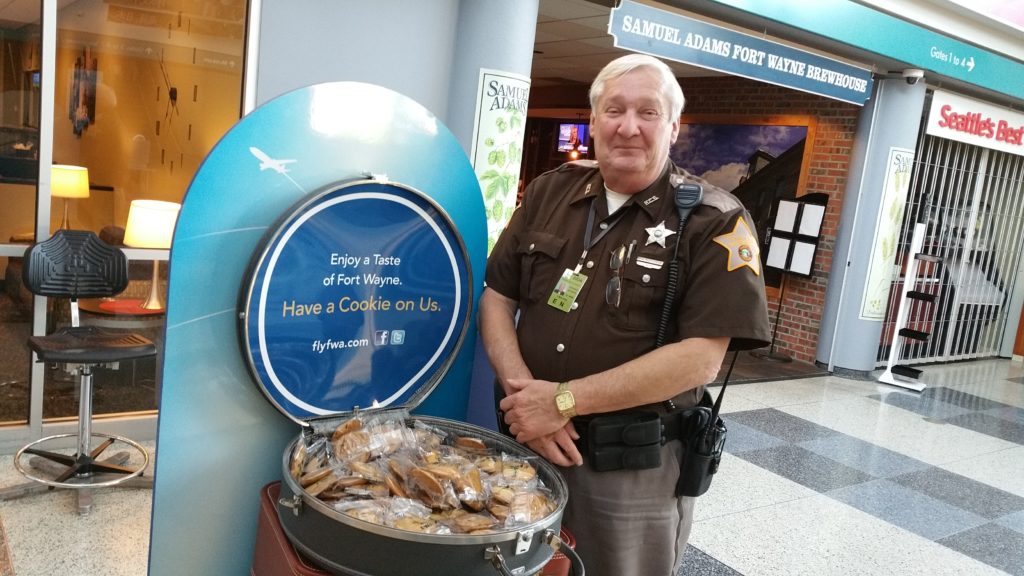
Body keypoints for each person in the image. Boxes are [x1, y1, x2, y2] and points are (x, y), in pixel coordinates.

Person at [479, 53, 771, 576]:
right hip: (528, 443)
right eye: (613, 110)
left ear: (675, 126)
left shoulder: (713, 220)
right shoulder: (551, 192)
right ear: (593, 121)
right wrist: (527, 401)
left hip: (629, 471)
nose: (628, 127)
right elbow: (497, 295)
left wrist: (563, 401)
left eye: (648, 112)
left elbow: (699, 360)